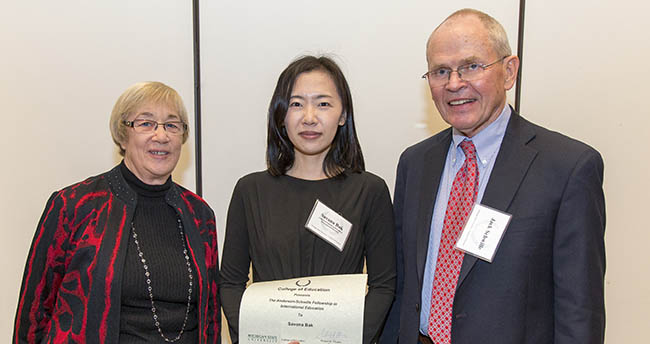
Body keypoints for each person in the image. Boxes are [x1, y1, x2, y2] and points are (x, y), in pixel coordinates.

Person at [381, 8, 606, 344]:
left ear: (509, 71)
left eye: (471, 66)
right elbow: (402, 287)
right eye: (441, 71)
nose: (455, 83)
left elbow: (580, 310)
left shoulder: (568, 168)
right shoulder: (415, 163)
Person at [13, 81, 220, 343]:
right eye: (145, 123)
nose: (161, 135)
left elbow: (210, 319)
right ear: (123, 134)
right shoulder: (73, 205)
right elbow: (33, 316)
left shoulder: (200, 215)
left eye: (172, 125)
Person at [219, 55, 396, 344]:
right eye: (296, 104)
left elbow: (384, 286)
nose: (309, 117)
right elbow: (231, 282)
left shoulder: (370, 191)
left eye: (323, 103)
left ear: (342, 115)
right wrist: (260, 339)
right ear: (281, 115)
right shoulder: (250, 191)